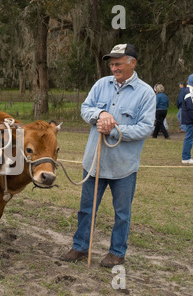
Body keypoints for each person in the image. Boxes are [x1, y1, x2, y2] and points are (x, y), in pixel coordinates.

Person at [60, 44, 156, 268]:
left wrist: (113, 128)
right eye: (111, 63)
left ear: (132, 63)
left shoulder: (146, 93)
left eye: (118, 63)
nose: (114, 68)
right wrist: (100, 114)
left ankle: (116, 252)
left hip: (123, 167)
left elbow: (146, 128)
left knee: (122, 214)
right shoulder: (101, 84)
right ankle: (80, 247)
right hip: (94, 162)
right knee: (86, 209)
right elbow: (85, 108)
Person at [180, 74, 193, 164]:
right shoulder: (190, 91)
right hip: (191, 120)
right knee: (189, 138)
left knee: (190, 137)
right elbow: (191, 107)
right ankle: (186, 157)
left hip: (190, 119)